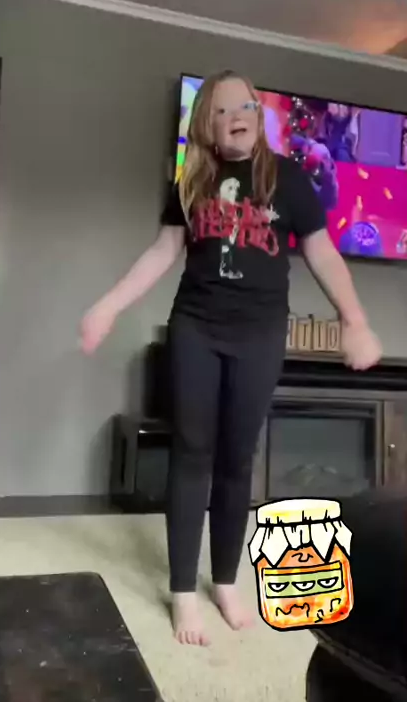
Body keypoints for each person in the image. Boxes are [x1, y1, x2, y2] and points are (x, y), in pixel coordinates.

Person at [80, 71, 382, 647]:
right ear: (206, 127)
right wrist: (109, 306)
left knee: (238, 458)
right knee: (192, 451)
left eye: (244, 105)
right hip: (196, 328)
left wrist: (355, 320)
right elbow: (163, 251)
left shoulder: (288, 178)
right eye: (220, 110)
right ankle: (182, 591)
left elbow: (322, 253)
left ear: (258, 116)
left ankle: (224, 581)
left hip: (259, 334)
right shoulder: (193, 180)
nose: (235, 116)